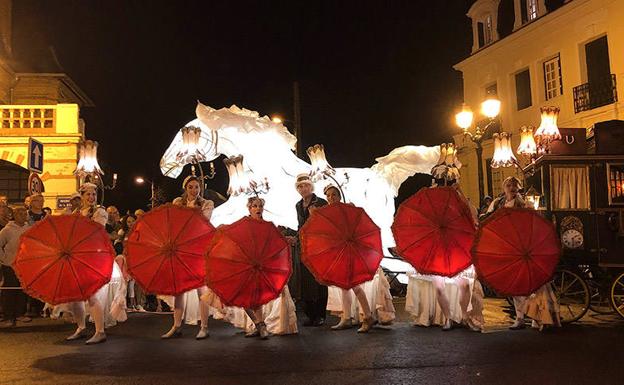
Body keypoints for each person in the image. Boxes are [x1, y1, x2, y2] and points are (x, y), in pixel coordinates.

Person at [485, 176, 561, 331]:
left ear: (518, 187)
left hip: (523, 246)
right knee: (514, 284)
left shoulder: (523, 203)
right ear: (504, 187)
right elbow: (489, 219)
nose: (511, 187)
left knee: (531, 283)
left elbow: (531, 222)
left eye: (514, 185)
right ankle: (520, 318)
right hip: (507, 247)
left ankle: (537, 315)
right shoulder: (498, 203)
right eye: (509, 185)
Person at [162, 175, 215, 340]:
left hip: (199, 249)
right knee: (179, 289)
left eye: (197, 187)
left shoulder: (207, 203)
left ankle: (204, 327)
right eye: (191, 187)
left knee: (202, 289)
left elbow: (203, 223)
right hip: (181, 250)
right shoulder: (178, 202)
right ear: (185, 188)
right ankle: (177, 326)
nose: (194, 190)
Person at [321, 185, 378, 333]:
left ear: (339, 196)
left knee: (354, 284)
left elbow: (357, 227)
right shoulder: (327, 213)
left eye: (334, 195)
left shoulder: (348, 209)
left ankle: (368, 316)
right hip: (338, 251)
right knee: (344, 285)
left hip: (350, 251)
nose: (331, 198)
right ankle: (346, 317)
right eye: (328, 195)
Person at [65, 183, 111, 344]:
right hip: (76, 256)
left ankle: (100, 331)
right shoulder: (77, 212)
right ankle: (81, 327)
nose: (91, 198)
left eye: (93, 194)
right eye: (88, 195)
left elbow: (96, 233)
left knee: (91, 294)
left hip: (92, 257)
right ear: (81, 196)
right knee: (75, 297)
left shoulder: (99, 212)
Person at [287, 173, 328, 327]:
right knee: (304, 280)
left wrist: (315, 216)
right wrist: (296, 238)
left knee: (318, 281)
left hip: (318, 246)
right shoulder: (298, 205)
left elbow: (325, 225)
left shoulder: (321, 202)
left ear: (311, 186)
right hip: (304, 246)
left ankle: (320, 315)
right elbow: (301, 226)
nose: (303, 188)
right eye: (300, 186)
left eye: (305, 185)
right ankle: (310, 314)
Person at [0, 206, 31, 327]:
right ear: (15, 215)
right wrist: (4, 259)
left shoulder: (29, 228)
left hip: (24, 265)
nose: (24, 216)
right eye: (21, 214)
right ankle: (8, 316)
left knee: (22, 289)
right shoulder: (6, 230)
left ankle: (20, 313)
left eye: (25, 213)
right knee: (10, 290)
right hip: (10, 265)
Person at [25, 194, 46, 317]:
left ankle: (41, 307)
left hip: (44, 252)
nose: (40, 203)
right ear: (31, 203)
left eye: (42, 201)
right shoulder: (26, 216)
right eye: (37, 201)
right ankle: (30, 307)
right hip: (30, 252)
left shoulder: (46, 216)